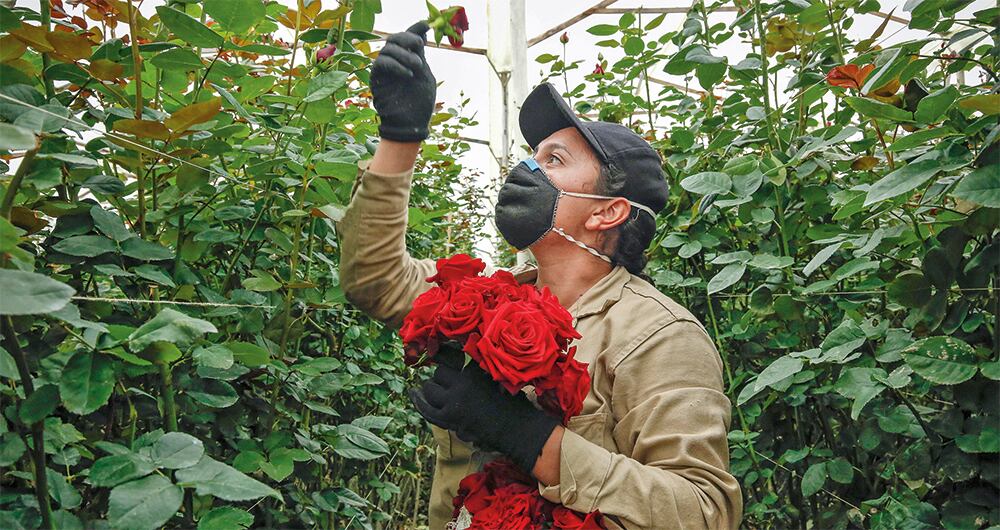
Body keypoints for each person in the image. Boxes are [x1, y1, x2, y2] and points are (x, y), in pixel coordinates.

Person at [334, 21, 743, 530]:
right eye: (532, 155)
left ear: (606, 212)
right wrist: (400, 138)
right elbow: (374, 279)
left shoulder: (655, 336)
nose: (526, 168)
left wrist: (529, 438)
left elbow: (703, 510)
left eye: (554, 159)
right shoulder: (483, 301)